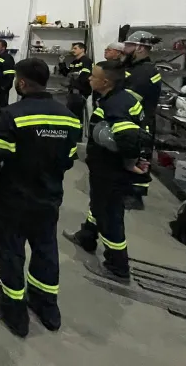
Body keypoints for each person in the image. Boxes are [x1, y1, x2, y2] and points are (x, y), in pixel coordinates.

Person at [0, 58, 81, 338]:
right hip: (49, 198)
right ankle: (46, 307)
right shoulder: (67, 117)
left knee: (11, 252)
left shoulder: (13, 114)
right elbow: (69, 159)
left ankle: (14, 313)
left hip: (14, 198)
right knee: (46, 249)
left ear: (22, 83)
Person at [63, 60, 147, 284]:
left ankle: (117, 265)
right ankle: (87, 236)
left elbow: (129, 140)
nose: (89, 79)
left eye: (93, 76)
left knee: (110, 215)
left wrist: (130, 164)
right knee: (99, 204)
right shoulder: (122, 98)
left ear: (105, 81)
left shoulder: (115, 106)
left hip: (111, 169)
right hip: (105, 167)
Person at [122, 30, 163, 209]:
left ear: (139, 47)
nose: (124, 49)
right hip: (137, 119)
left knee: (140, 158)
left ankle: (136, 196)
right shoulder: (138, 68)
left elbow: (129, 99)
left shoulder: (144, 72)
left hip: (140, 122)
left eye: (128, 46)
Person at [58, 42, 93, 129]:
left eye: (75, 48)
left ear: (82, 49)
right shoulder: (74, 62)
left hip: (80, 93)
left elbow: (85, 77)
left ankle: (78, 137)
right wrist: (61, 62)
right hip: (72, 93)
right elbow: (66, 73)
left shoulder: (86, 61)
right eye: (73, 48)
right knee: (71, 115)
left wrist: (71, 83)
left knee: (76, 116)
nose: (73, 50)